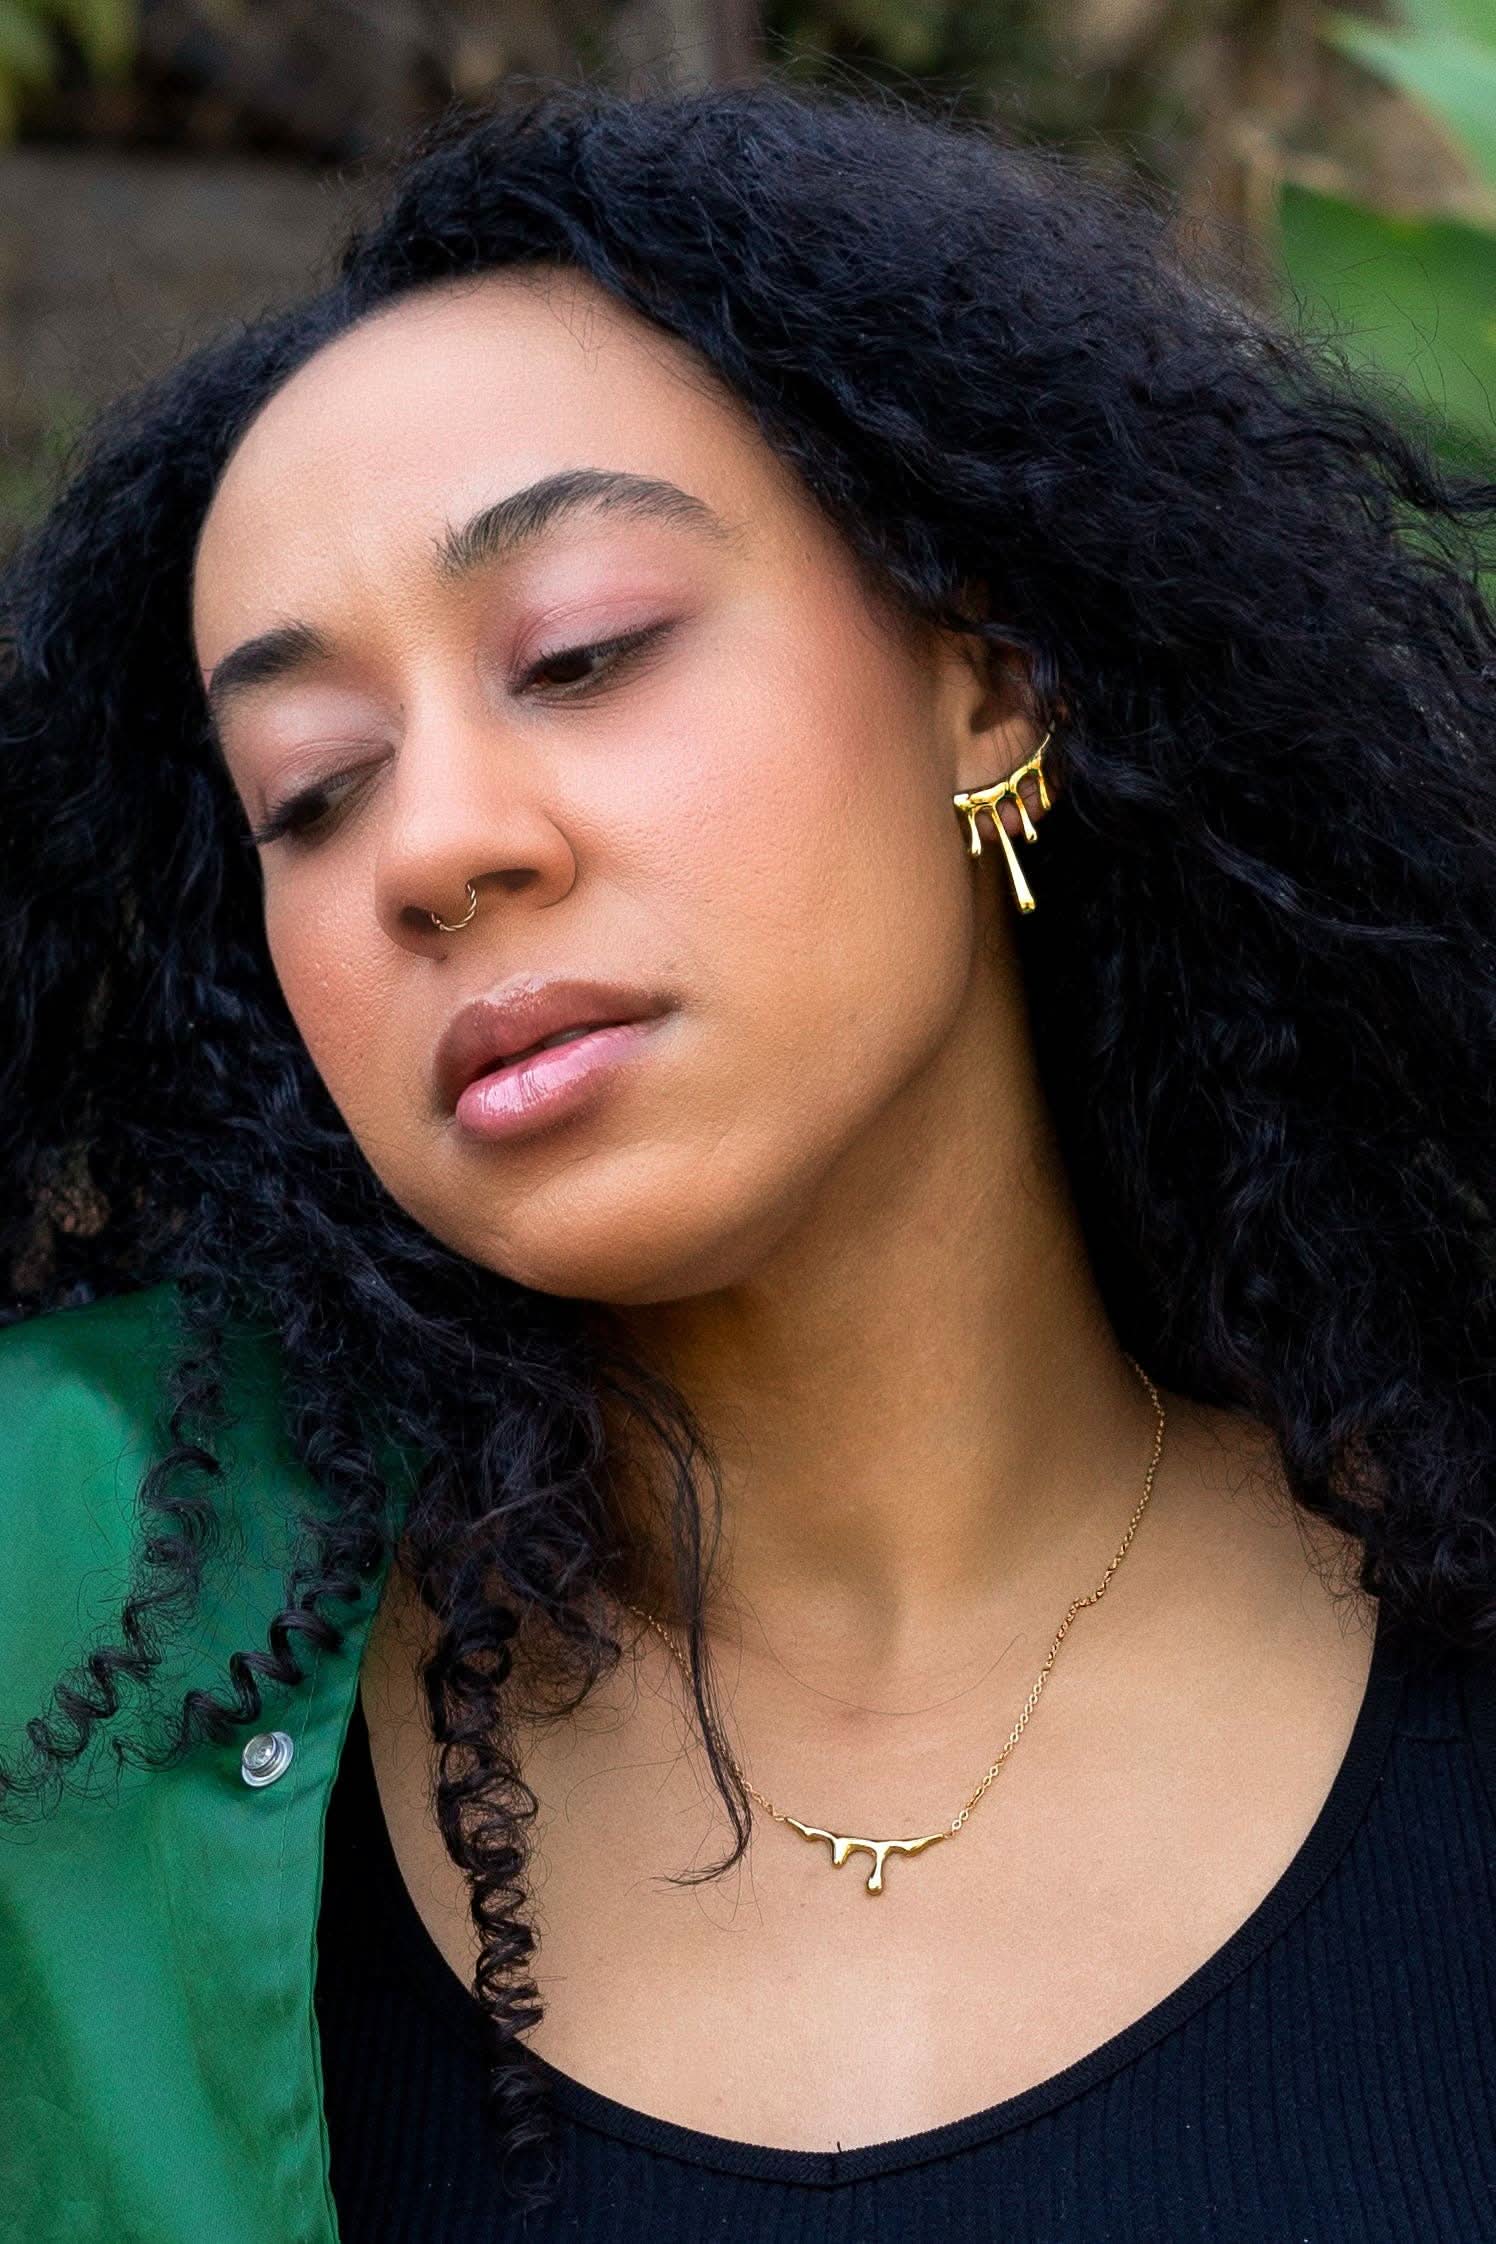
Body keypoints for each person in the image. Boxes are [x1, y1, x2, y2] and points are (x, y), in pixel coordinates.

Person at [2, 74, 1495, 2244]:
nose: (432, 845)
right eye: (308, 789)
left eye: (583, 655)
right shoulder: (79, 1659)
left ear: (985, 680)